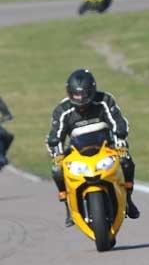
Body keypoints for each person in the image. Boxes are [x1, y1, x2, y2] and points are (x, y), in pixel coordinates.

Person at [46, 69, 140, 227]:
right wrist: (57, 152)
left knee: (126, 161)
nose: (81, 99)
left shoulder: (104, 100)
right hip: (77, 148)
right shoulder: (62, 110)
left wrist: (120, 139)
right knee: (57, 170)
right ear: (70, 93)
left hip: (106, 144)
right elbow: (55, 134)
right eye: (77, 95)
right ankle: (68, 208)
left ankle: (129, 199)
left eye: (84, 94)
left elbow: (118, 121)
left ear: (92, 90)